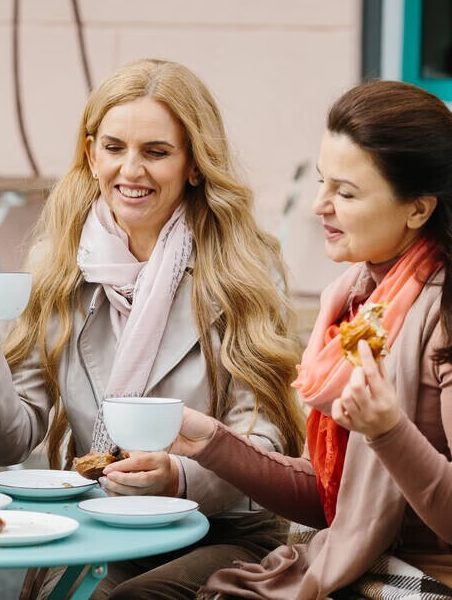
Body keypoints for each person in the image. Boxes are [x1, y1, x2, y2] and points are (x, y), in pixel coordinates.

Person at [0, 58, 308, 599]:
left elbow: (263, 434)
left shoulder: (242, 270)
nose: (130, 170)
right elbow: (9, 442)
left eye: (155, 152)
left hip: (223, 528)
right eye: (114, 148)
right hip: (102, 523)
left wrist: (179, 477)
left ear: (194, 164)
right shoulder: (59, 264)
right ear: (91, 155)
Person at [167, 79, 452, 598]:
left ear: (418, 209)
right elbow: (333, 502)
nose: (320, 205)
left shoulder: (443, 314)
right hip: (351, 557)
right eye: (323, 182)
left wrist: (389, 431)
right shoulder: (355, 301)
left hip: (424, 578)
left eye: (345, 192)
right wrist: (209, 442)